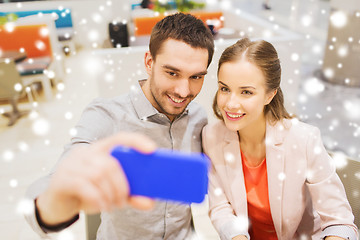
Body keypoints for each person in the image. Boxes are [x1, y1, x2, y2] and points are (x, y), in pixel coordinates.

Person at [25, 12, 214, 239]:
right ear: (149, 62)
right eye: (172, 73)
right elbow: (54, 180)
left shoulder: (198, 117)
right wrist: (55, 201)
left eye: (196, 77)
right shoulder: (107, 116)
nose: (184, 92)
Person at [202, 38, 358, 240]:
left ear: (269, 95)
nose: (230, 104)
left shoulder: (304, 140)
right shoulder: (211, 136)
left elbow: (341, 223)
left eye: (246, 92)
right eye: (224, 89)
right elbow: (220, 207)